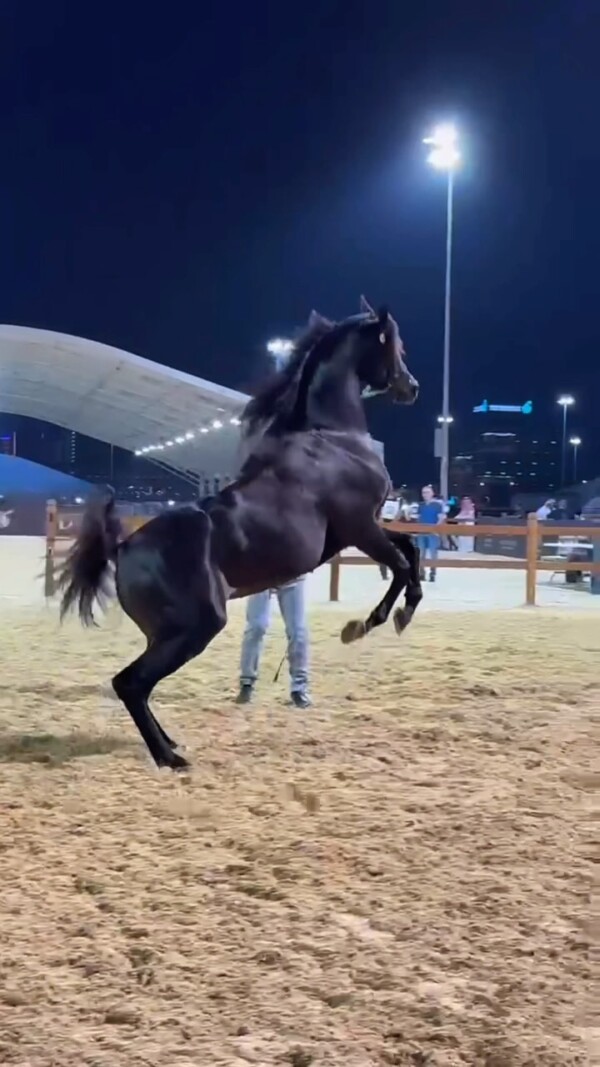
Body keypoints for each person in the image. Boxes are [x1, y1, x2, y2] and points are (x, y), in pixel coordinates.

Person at [236, 576, 311, 707]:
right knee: (256, 627)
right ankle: (246, 683)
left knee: (297, 630)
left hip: (292, 574)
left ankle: (299, 688)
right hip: (261, 573)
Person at [416, 485, 446, 581]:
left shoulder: (437, 505)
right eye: (423, 493)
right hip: (421, 532)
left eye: (427, 492)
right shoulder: (420, 505)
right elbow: (418, 518)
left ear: (432, 493)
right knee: (421, 554)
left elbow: (440, 518)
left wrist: (435, 529)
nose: (425, 494)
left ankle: (433, 573)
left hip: (433, 533)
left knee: (433, 553)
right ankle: (422, 573)